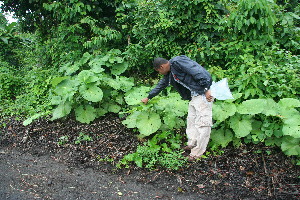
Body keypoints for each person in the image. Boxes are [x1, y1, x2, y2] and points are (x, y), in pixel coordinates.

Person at [141, 55, 214, 161]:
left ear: (161, 67)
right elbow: (161, 85)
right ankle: (192, 144)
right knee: (191, 120)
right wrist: (149, 96)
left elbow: (198, 72)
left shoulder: (178, 62)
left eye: (158, 71)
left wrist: (206, 89)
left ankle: (197, 153)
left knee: (203, 123)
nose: (159, 74)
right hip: (194, 95)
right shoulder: (170, 72)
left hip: (203, 93)